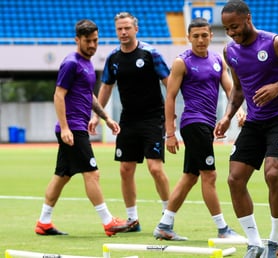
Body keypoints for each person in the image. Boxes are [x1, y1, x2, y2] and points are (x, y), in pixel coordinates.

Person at [216, 1, 278, 257]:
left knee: (272, 174)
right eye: (227, 28)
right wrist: (227, 116)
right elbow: (238, 89)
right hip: (255, 123)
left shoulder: (275, 43)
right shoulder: (230, 51)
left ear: (248, 18)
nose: (232, 32)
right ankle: (255, 242)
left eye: (235, 26)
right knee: (234, 179)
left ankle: (276, 237)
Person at [35, 19, 129, 237]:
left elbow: (89, 96)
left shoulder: (87, 64)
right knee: (92, 173)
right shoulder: (71, 63)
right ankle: (108, 222)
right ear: (77, 39)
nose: (93, 45)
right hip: (73, 129)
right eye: (88, 41)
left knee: (62, 175)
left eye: (95, 40)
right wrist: (66, 128)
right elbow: (59, 95)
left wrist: (105, 117)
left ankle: (43, 222)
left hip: (75, 127)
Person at [153, 17, 242, 241]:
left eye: (204, 35)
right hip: (194, 123)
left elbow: (230, 89)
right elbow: (170, 97)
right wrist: (170, 133)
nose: (201, 40)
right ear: (188, 38)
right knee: (209, 175)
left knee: (190, 177)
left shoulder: (217, 60)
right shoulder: (182, 62)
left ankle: (164, 225)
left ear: (211, 36)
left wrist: (238, 111)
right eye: (196, 36)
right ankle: (223, 229)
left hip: (206, 123)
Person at [89, 12, 171, 233]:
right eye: (119, 29)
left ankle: (167, 217)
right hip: (129, 120)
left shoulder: (150, 54)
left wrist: (171, 115)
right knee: (125, 169)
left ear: (136, 29)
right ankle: (132, 220)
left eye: (127, 28)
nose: (123, 32)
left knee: (155, 168)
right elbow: (106, 87)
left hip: (153, 118)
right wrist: (97, 115)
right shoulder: (113, 58)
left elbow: (169, 83)